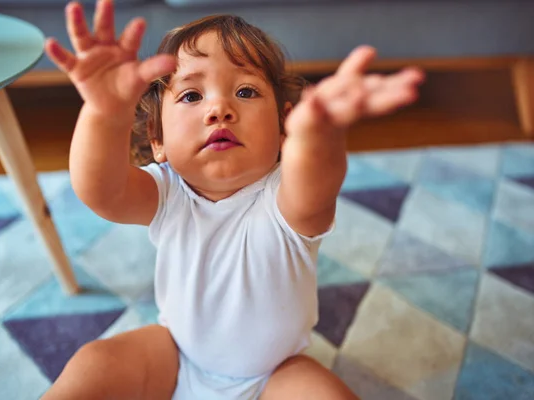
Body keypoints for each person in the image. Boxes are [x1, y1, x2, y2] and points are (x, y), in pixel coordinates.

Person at [41, 0, 424, 399]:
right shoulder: (167, 192)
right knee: (95, 363)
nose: (219, 109)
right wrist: (104, 113)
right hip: (175, 358)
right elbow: (102, 192)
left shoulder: (286, 198)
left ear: (282, 129)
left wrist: (316, 133)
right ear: (158, 140)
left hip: (275, 376)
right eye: (191, 96)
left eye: (245, 91)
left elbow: (317, 182)